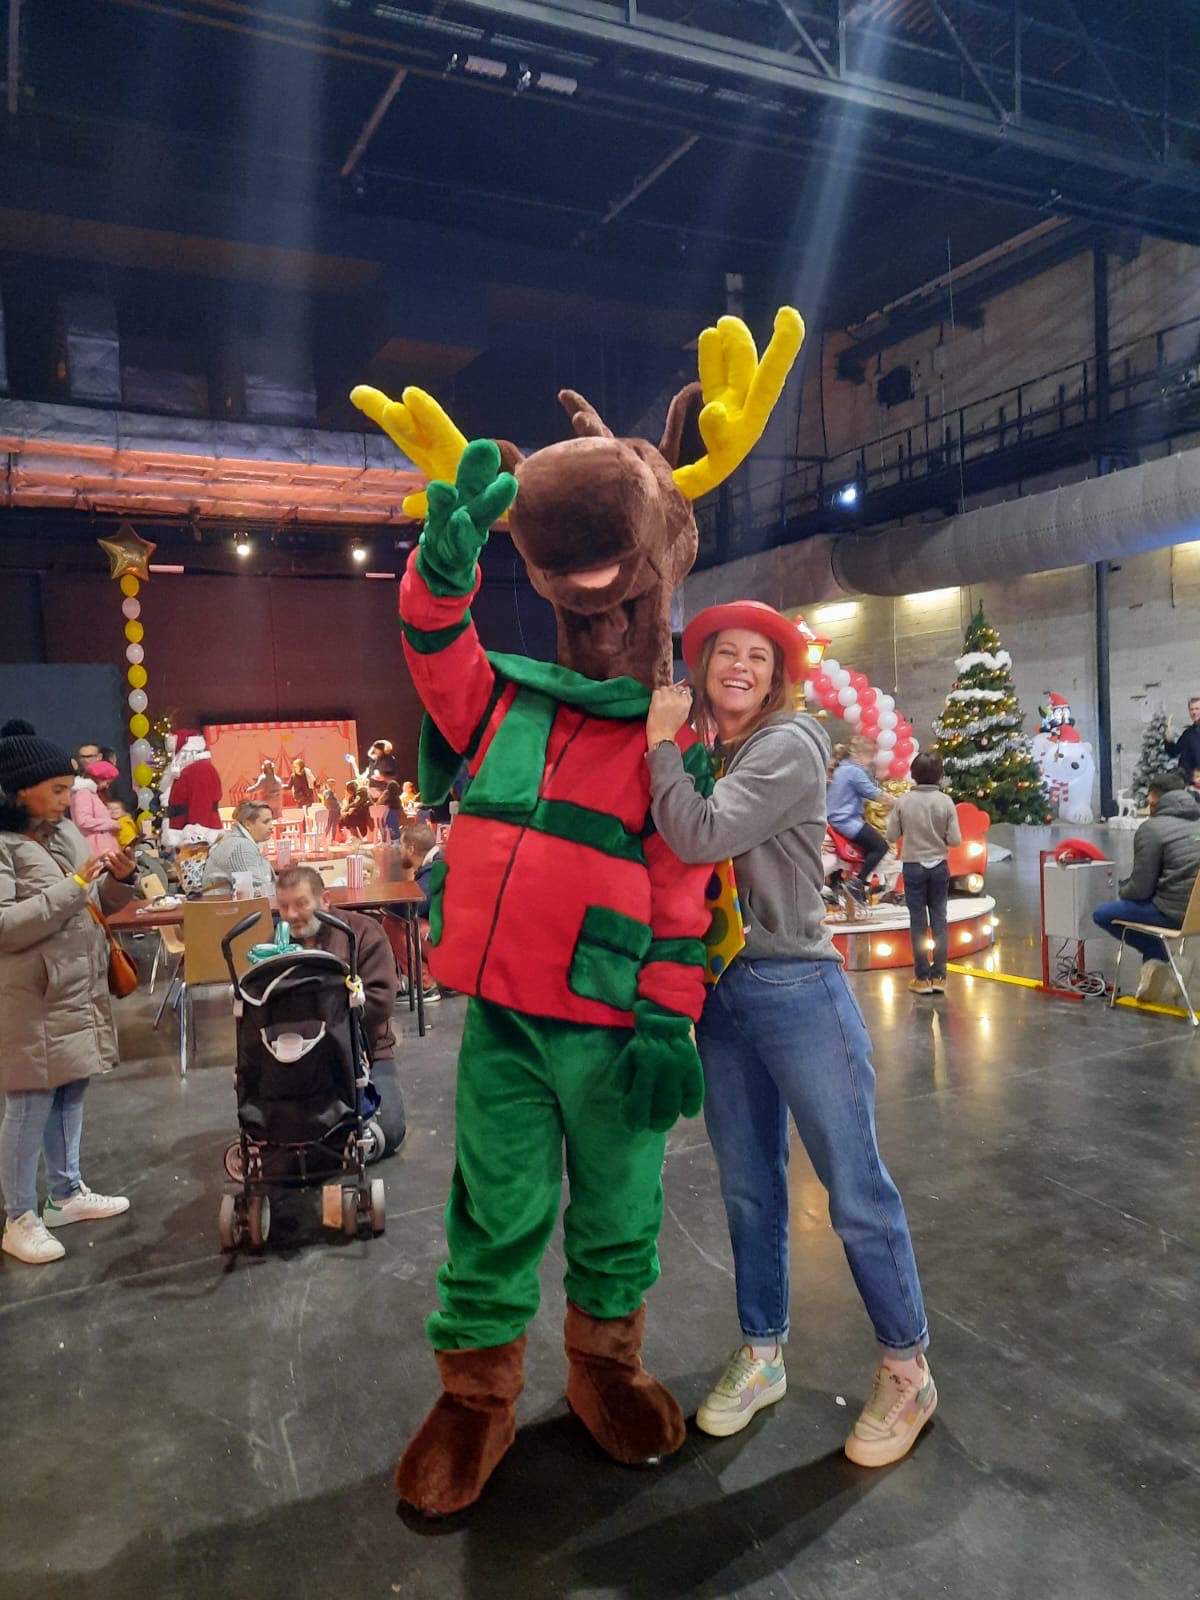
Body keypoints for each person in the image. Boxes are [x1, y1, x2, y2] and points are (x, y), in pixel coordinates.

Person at [644, 602, 935, 1468]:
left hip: (794, 983)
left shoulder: (791, 744)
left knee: (855, 1192)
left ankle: (906, 1366)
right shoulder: (714, 751)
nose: (738, 666)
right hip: (722, 991)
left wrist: (660, 746)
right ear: (701, 669)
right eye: (722, 653)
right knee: (746, 1190)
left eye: (757, 657)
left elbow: (700, 833)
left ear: (777, 677)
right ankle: (764, 1351)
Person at [0, 720, 138, 1266]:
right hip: (30, 1000)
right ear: (18, 790)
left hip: (75, 992)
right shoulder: (5, 845)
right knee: (29, 1102)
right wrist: (75, 886)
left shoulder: (60, 834)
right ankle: (17, 1217)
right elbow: (5, 926)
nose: (67, 800)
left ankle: (66, 1194)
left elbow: (94, 902)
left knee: (71, 1089)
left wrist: (117, 879)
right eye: (57, 790)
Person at [274, 867, 406, 1155]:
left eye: (301, 904)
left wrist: (324, 1013)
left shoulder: (362, 933)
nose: (291, 915)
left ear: (325, 899)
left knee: (390, 1131)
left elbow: (380, 1003)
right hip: (301, 1055)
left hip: (368, 1050)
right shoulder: (277, 944)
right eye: (283, 907)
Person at [1093, 770, 1200, 984]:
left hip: (1173, 914)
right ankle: (1157, 971)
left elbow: (1140, 889)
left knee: (1103, 913)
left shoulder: (1152, 829)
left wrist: (1121, 891)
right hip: (1195, 914)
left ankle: (1162, 959)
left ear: (1152, 797)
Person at [887, 753, 963, 996]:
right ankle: (940, 976)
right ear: (939, 775)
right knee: (939, 919)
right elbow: (955, 840)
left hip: (913, 866)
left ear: (913, 773)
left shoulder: (904, 801)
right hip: (939, 866)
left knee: (918, 922)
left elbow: (890, 836)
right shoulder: (946, 801)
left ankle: (922, 979)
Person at [827, 736, 892, 903]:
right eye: (869, 757)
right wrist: (896, 801)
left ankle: (836, 881)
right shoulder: (854, 771)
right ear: (860, 755)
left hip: (835, 818)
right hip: (846, 821)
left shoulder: (841, 768)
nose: (870, 761)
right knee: (880, 846)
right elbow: (873, 793)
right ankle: (858, 882)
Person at [385, 821, 441, 1003]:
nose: (399, 850)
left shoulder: (435, 871)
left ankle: (425, 985)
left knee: (394, 923)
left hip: (452, 944)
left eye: (401, 845)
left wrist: (387, 901)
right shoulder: (437, 864)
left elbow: (409, 907)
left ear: (411, 849)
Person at [201, 801, 276, 897]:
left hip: (223, 907)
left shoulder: (235, 841)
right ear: (248, 824)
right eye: (266, 822)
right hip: (227, 908)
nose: (271, 827)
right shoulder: (241, 846)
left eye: (271, 821)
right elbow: (256, 891)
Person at [69, 758, 122, 857]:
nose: (107, 786)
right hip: (95, 850)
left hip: (101, 849)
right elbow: (83, 821)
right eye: (107, 782)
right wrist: (111, 823)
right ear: (99, 778)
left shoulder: (91, 793)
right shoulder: (83, 793)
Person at [1163, 696, 1200, 778]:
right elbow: (1173, 752)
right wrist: (1168, 741)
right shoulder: (1188, 733)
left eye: (1197, 709)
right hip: (1189, 781)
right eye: (1191, 709)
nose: (1194, 712)